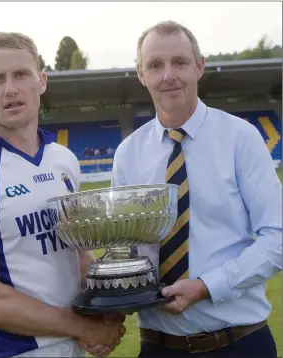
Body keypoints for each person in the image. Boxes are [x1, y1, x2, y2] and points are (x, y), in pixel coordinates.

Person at [0, 32, 125, 358]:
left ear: (41, 81)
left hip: (70, 349)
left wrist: (106, 304)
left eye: (21, 74)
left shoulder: (64, 161)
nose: (10, 88)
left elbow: (75, 256)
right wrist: (83, 328)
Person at [111, 20, 282, 358]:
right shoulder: (127, 154)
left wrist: (207, 287)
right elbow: (124, 249)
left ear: (199, 66)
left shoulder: (240, 139)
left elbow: (277, 237)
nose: (168, 75)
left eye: (180, 62)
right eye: (155, 65)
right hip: (158, 347)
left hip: (240, 344)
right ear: (141, 75)